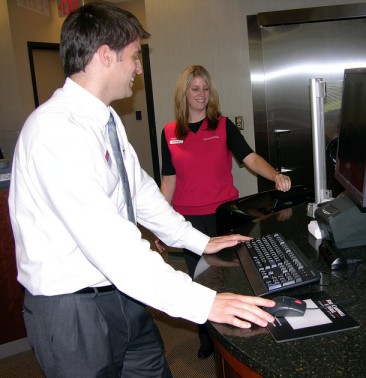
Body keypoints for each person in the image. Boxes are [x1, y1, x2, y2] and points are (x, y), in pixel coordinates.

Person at [8, 3, 275, 377]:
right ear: (105, 56)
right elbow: (111, 244)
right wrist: (204, 302)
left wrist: (197, 240)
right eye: (134, 57)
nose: (137, 68)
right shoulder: (56, 132)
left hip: (122, 291)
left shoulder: (106, 120)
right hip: (73, 309)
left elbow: (143, 194)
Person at [160, 64, 291, 358]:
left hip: (223, 217)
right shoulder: (169, 133)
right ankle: (208, 339)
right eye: (195, 89)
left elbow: (250, 157)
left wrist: (275, 176)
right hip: (188, 223)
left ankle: (236, 340)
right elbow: (168, 181)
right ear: (184, 93)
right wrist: (160, 223)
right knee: (200, 285)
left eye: (206, 89)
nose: (201, 95)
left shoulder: (222, 125)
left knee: (229, 280)